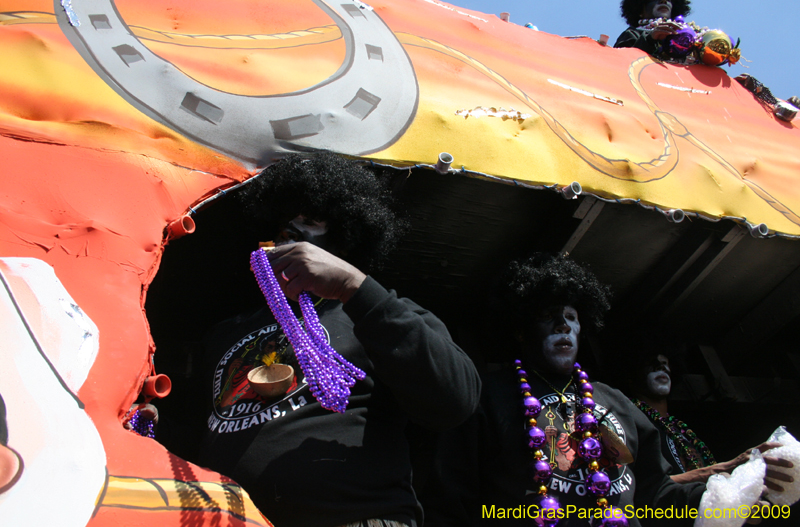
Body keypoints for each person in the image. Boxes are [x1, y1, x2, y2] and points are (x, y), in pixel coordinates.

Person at [153, 152, 481, 527]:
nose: (289, 232)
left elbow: (455, 400)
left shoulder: (378, 312)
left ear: (345, 241)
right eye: (283, 225)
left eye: (309, 222)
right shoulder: (225, 333)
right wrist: (155, 426)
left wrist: (353, 287)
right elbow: (201, 438)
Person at [422, 253, 790, 526]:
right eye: (547, 316)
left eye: (571, 317)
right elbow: (450, 499)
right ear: (520, 329)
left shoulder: (615, 402)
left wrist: (741, 485)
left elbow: (655, 495)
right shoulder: (485, 395)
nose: (562, 325)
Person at [626, 343, 794, 487]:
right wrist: (724, 469)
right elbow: (642, 487)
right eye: (652, 364)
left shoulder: (680, 429)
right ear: (631, 377)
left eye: (665, 363)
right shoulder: (628, 421)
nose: (661, 367)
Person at [614, 0, 691, 57]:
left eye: (668, 0)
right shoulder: (632, 33)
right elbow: (620, 62)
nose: (664, 1)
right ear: (641, 10)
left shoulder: (685, 35)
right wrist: (650, 39)